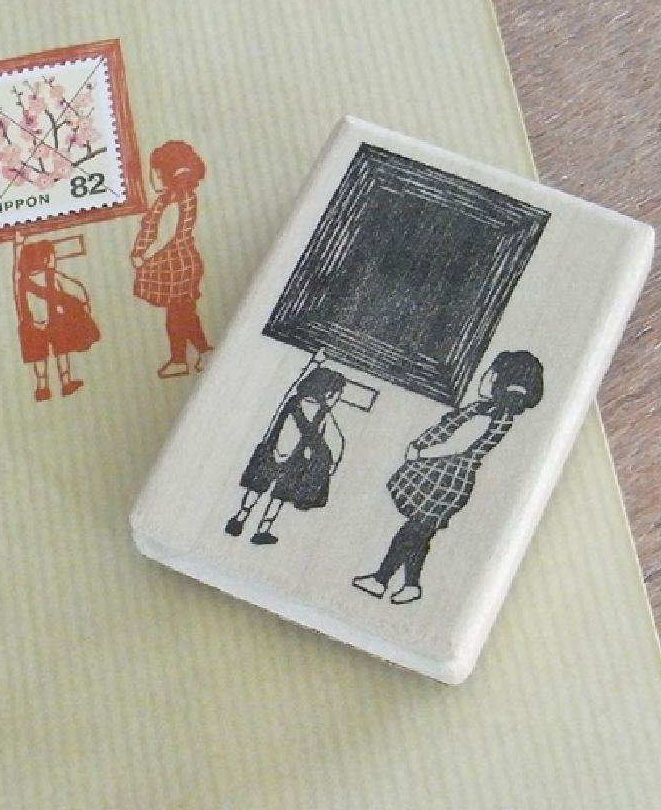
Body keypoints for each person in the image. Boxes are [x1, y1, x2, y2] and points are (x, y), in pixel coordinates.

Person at [353, 350, 544, 605]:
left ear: (500, 380)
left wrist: (419, 452)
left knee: (413, 531)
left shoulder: (487, 413)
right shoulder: (493, 412)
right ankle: (410, 585)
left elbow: (458, 442)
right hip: (450, 479)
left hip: (444, 480)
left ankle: (381, 580)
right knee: (421, 533)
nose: (485, 377)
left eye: (491, 372)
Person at [226, 365, 347, 545]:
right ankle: (262, 531)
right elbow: (329, 438)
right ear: (328, 392)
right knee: (279, 497)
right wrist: (330, 460)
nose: (338, 397)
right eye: (337, 393)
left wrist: (267, 444)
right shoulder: (323, 413)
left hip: (273, 451)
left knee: (257, 488)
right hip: (296, 460)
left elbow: (275, 423)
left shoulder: (293, 401)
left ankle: (239, 520)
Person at [131, 140, 212, 378]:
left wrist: (141, 255)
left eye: (155, 171)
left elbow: (166, 232)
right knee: (182, 313)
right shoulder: (179, 196)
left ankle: (188, 356)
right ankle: (193, 355)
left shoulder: (174, 198)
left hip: (176, 265)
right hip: (177, 263)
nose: (152, 176)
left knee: (178, 315)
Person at [13, 231, 100, 401]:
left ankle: (44, 388)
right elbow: (75, 289)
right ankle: (62, 384)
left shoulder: (22, 280)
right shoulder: (49, 277)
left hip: (36, 326)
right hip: (46, 325)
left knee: (44, 356)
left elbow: (15, 269)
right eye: (52, 256)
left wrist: (18, 246)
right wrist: (83, 301)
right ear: (46, 259)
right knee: (58, 353)